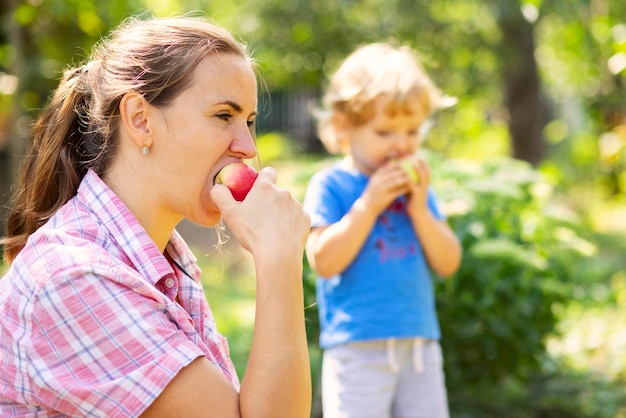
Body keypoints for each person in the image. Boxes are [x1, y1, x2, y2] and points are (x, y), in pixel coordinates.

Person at [0, 14, 311, 418]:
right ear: (140, 119)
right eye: (223, 115)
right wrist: (279, 258)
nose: (248, 147)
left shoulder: (161, 263)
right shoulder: (74, 276)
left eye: (249, 121)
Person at [303, 42, 462, 418]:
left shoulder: (418, 192)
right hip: (357, 347)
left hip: (419, 346)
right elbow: (323, 261)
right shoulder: (332, 185)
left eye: (411, 131)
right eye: (385, 131)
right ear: (344, 127)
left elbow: (448, 261)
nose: (401, 145)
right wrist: (369, 205)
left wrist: (420, 210)